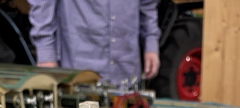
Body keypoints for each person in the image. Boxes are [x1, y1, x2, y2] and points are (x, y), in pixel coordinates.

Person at [29, 0, 161, 88]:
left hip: (126, 71)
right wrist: (46, 54)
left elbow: (148, 4)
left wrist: (150, 42)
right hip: (79, 74)